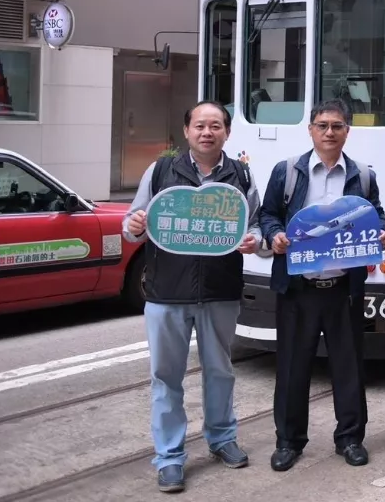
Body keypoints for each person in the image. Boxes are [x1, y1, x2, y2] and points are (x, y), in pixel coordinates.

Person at [121, 101, 261, 494]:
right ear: (186, 131)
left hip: (220, 292)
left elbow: (255, 227)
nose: (207, 132)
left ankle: (221, 438)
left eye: (215, 126)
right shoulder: (161, 171)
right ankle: (169, 457)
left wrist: (256, 241)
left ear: (227, 133)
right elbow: (134, 227)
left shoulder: (241, 174)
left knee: (220, 371)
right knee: (166, 378)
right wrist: (134, 224)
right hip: (166, 294)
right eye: (199, 125)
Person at [259, 99, 385, 472]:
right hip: (298, 289)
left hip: (343, 288)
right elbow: (267, 214)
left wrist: (379, 231)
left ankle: (349, 438)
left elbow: (375, 213)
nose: (329, 132)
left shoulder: (363, 175)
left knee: (349, 367)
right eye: (322, 125)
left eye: (337, 126)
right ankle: (289, 441)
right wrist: (276, 234)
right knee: (292, 369)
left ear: (348, 130)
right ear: (310, 129)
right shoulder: (288, 172)